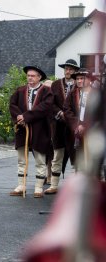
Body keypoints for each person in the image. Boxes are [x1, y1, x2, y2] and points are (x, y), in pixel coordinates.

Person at [9, 66, 53, 198]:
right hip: (22, 129)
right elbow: (12, 104)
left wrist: (26, 117)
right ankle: (21, 185)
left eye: (33, 76)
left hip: (40, 130)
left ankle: (39, 187)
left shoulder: (46, 91)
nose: (30, 78)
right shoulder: (20, 90)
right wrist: (19, 117)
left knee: (40, 159)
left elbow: (45, 107)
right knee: (21, 159)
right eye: (28, 75)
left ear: (39, 77)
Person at [44, 59, 79, 194]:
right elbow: (50, 103)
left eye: (70, 69)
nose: (68, 71)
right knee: (57, 155)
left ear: (75, 71)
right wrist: (59, 113)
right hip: (58, 126)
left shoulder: (79, 85)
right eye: (66, 68)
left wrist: (71, 118)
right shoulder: (56, 84)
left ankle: (76, 186)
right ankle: (53, 185)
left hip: (73, 126)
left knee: (75, 156)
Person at [63, 68, 95, 171]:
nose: (80, 81)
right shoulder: (72, 94)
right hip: (76, 132)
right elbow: (67, 109)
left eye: (82, 78)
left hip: (92, 131)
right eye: (78, 79)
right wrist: (76, 124)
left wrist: (84, 125)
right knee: (78, 159)